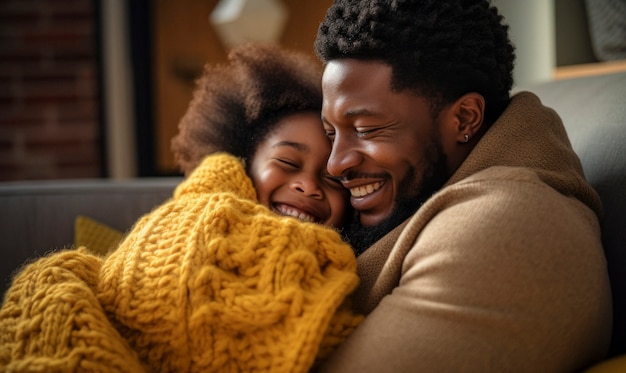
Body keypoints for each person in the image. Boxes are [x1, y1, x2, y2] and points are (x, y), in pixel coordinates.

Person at [0, 43, 362, 373]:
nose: (309, 185)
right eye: (287, 161)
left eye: (331, 179)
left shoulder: (353, 267)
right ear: (244, 165)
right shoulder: (201, 209)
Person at [312, 0, 613, 372]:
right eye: (330, 133)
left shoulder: (512, 228)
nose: (336, 163)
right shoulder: (398, 199)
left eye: (366, 130)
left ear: (465, 118)